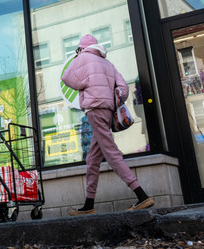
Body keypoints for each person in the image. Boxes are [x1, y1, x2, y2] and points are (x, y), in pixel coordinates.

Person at [61, 34, 153, 215]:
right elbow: (123, 89)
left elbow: (67, 78)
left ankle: (141, 195)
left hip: (94, 110)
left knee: (111, 153)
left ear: (82, 48)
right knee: (92, 159)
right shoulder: (107, 63)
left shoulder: (83, 58)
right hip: (108, 111)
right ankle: (88, 205)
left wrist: (79, 63)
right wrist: (111, 98)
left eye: (78, 49)